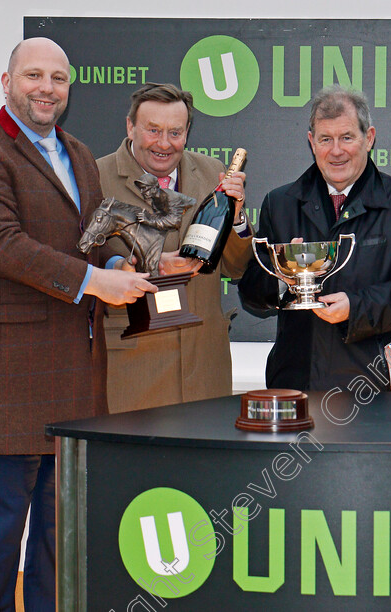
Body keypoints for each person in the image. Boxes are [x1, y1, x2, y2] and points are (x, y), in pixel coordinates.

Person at [0, 38, 155, 611]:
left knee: (58, 546)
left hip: (75, 379)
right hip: (7, 378)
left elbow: (90, 232)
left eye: (58, 78)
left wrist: (112, 261)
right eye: (33, 75)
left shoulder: (79, 153)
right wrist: (93, 283)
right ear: (7, 83)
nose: (47, 88)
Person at [238, 86, 391, 393]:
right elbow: (251, 292)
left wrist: (356, 307)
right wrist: (283, 276)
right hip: (296, 383)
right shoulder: (279, 203)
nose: (336, 150)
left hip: (376, 384)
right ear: (311, 142)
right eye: (325, 139)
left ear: (369, 138)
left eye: (347, 137)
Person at [97, 83, 252, 412]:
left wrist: (237, 219)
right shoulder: (96, 177)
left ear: (187, 132)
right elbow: (84, 259)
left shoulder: (213, 172)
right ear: (130, 127)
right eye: (153, 130)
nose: (164, 144)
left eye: (175, 132)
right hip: (132, 374)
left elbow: (237, 268)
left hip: (205, 372)